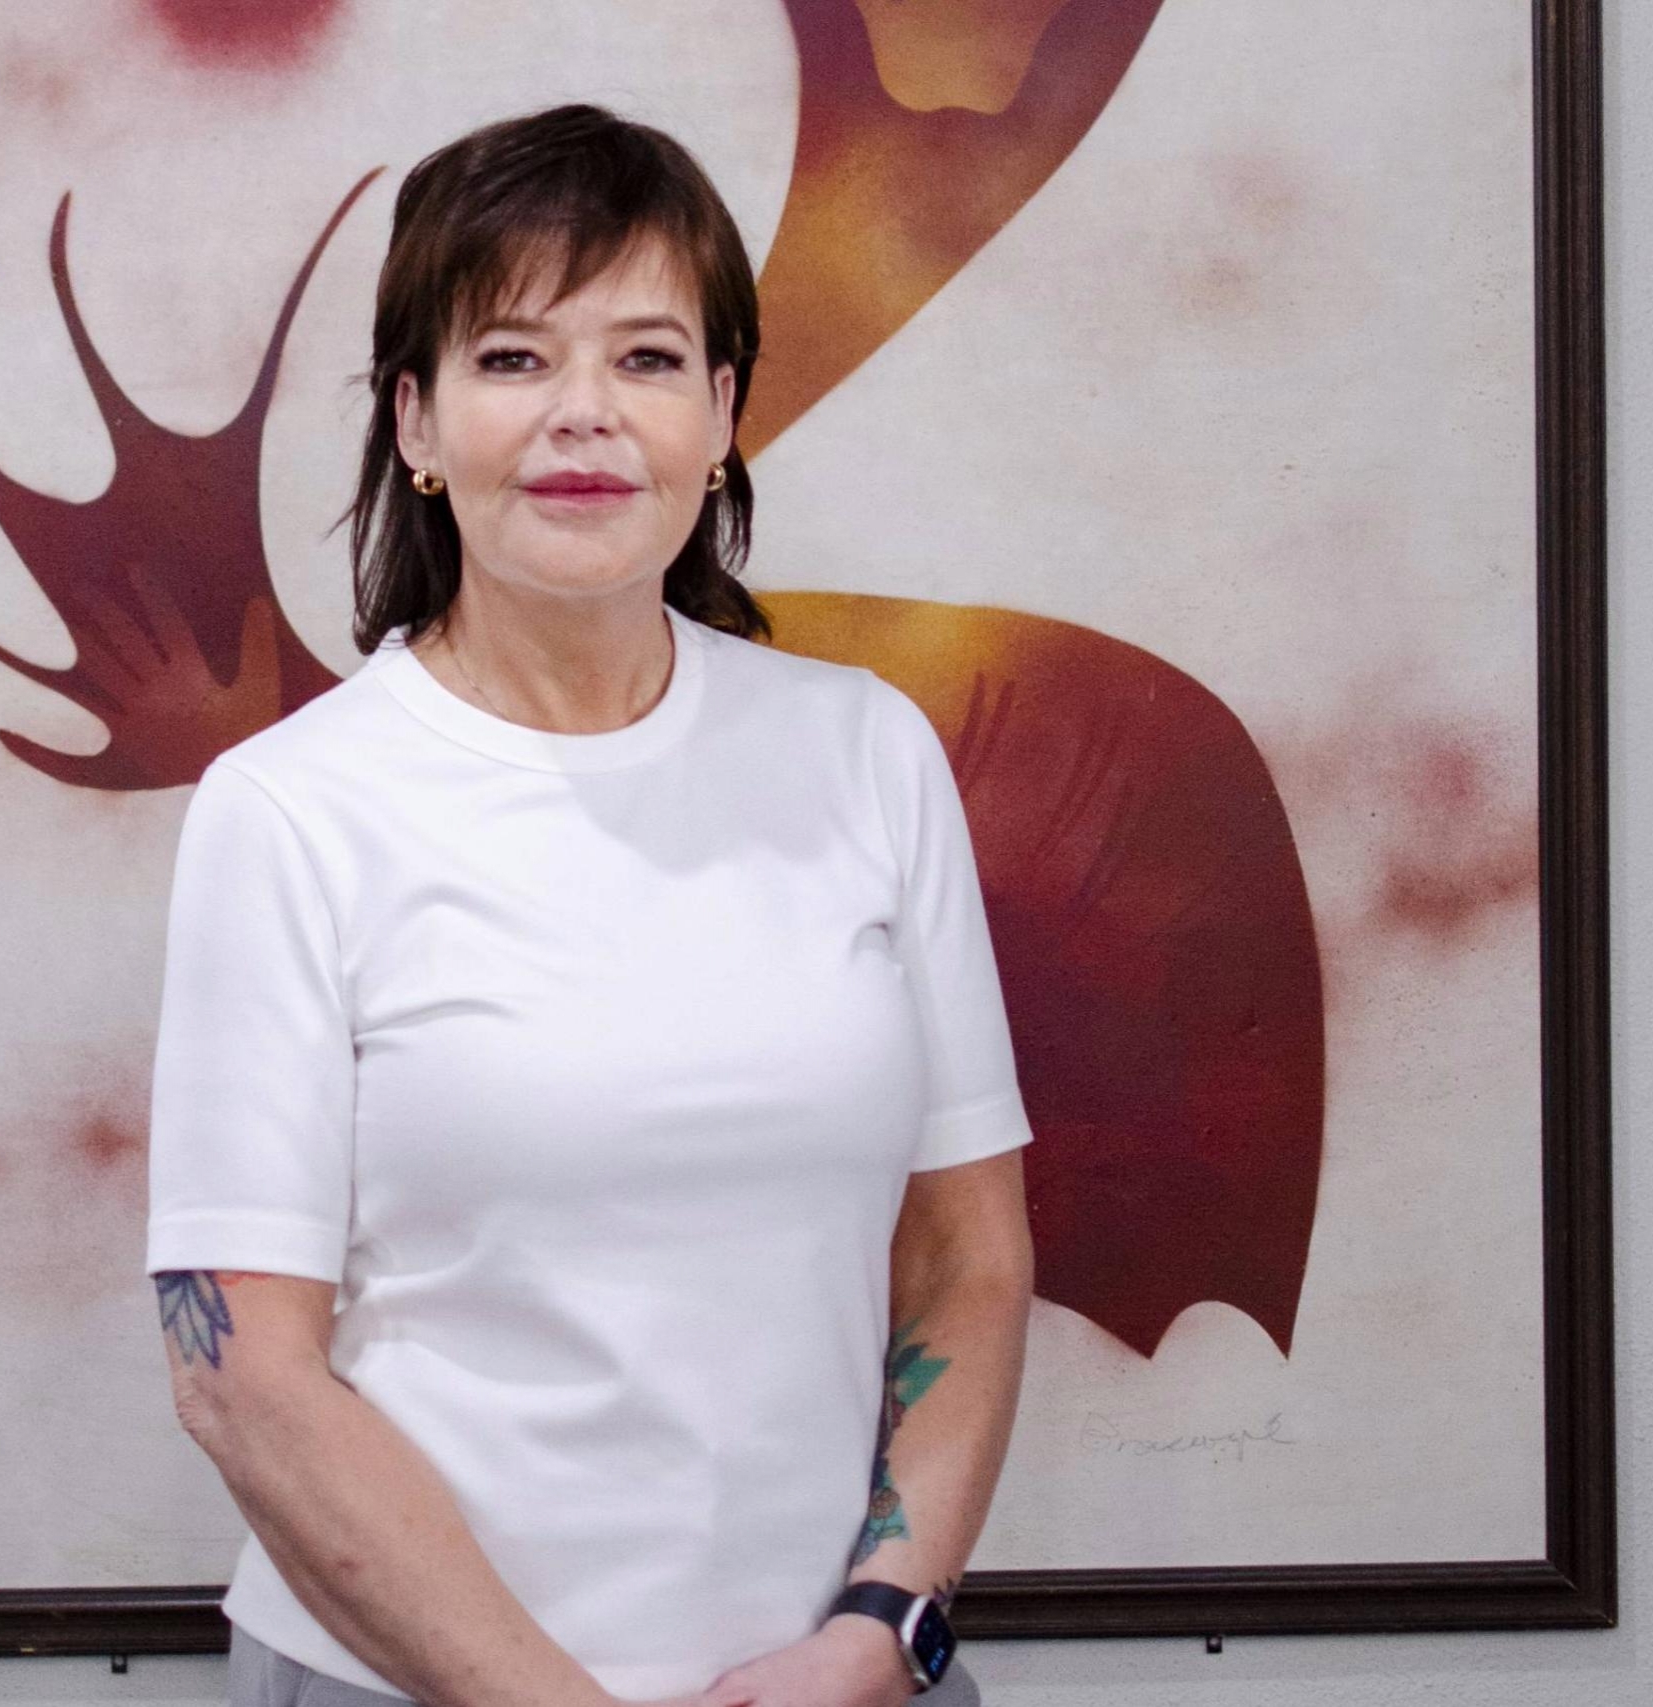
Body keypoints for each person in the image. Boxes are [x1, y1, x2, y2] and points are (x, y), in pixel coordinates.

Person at [146, 102, 1035, 1707]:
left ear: (721, 413)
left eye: (645, 358)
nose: (584, 417)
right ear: (413, 423)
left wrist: (883, 1629)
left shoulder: (867, 755)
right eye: (510, 360)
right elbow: (244, 1379)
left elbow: (968, 1254)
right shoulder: (290, 812)